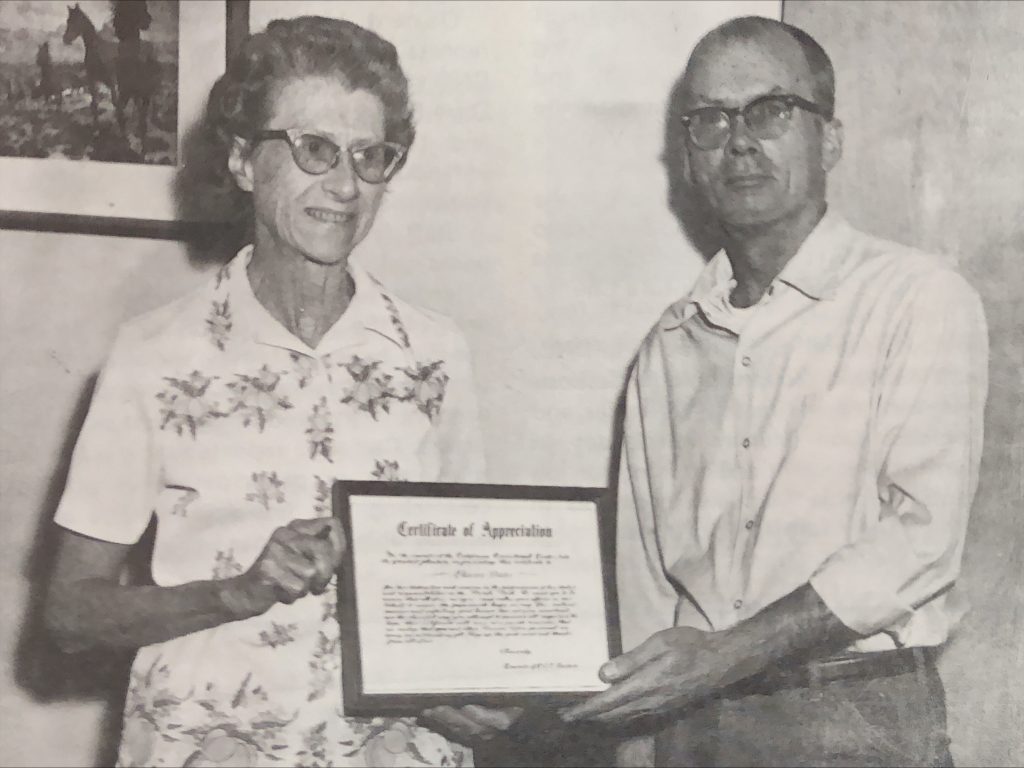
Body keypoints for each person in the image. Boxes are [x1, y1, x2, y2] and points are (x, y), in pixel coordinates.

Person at [44, 16, 483, 768]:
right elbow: (69, 613)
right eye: (314, 150)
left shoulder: (436, 357)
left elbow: (465, 596)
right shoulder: (153, 356)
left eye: (371, 157)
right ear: (245, 160)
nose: (345, 186)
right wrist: (235, 593)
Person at [556, 15, 989, 767]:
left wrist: (727, 655)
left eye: (770, 111)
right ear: (687, 158)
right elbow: (646, 586)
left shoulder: (917, 298)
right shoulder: (668, 346)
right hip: (693, 727)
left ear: (829, 140)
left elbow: (921, 543)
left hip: (859, 715)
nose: (740, 141)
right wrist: (638, 737)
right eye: (710, 121)